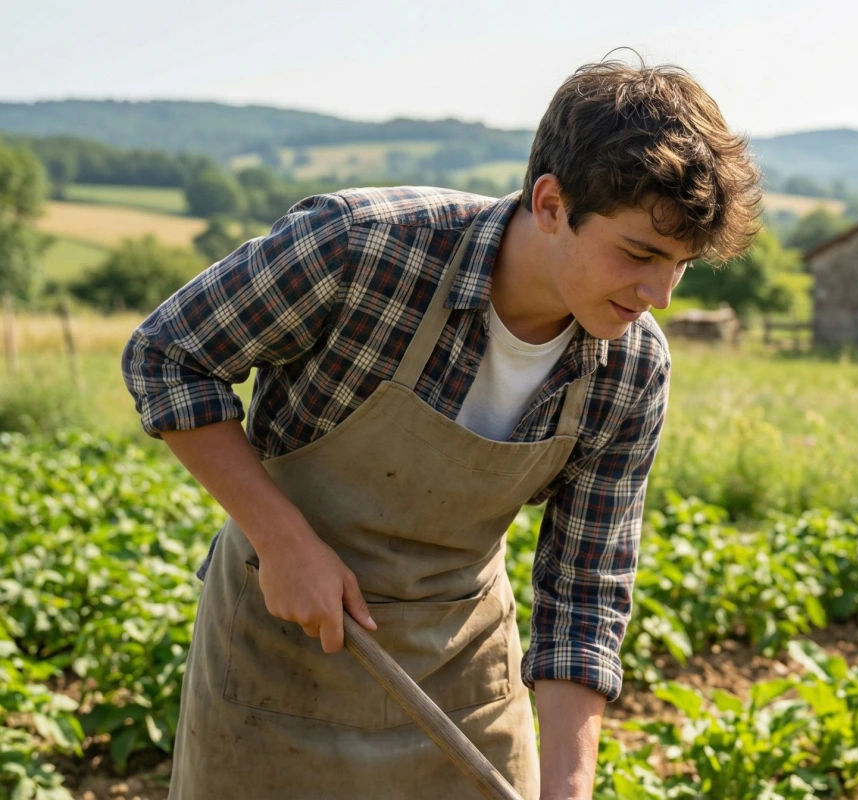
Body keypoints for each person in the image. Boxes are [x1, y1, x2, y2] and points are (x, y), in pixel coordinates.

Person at [122, 60, 761, 799]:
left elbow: (584, 588)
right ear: (552, 203)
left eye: (680, 266)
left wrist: (570, 788)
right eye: (640, 254)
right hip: (278, 653)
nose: (657, 296)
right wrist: (283, 539)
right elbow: (168, 355)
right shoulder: (364, 248)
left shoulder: (630, 366)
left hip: (461, 675)